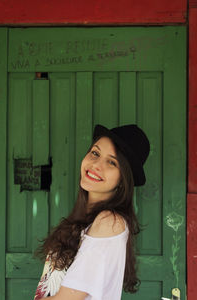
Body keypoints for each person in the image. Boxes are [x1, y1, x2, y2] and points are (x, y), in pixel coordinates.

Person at [34, 124, 150, 300]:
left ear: (123, 179)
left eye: (112, 162)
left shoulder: (109, 222)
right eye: (95, 153)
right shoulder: (85, 219)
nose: (96, 165)